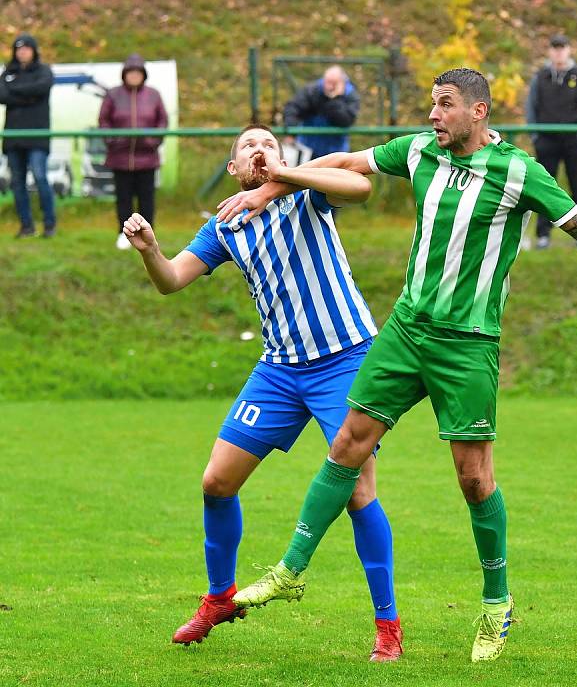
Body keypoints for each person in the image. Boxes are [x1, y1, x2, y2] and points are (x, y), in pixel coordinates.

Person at [216, 68, 577, 664]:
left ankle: (497, 604)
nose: (432, 115)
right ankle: (292, 570)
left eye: (443, 105)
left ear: (478, 112)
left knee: (473, 479)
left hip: (467, 343)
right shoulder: (420, 150)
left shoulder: (520, 171)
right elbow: (348, 162)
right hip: (404, 331)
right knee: (348, 444)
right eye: (431, 103)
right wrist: (270, 188)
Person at [122, 124, 402, 662]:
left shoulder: (307, 192)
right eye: (249, 146)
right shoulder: (226, 225)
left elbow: (361, 187)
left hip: (345, 358)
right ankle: (220, 597)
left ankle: (387, 626)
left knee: (358, 492)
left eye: (269, 144)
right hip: (279, 368)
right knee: (216, 481)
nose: (260, 150)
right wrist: (151, 251)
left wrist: (283, 176)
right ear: (233, 168)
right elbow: (172, 279)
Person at [525, 34, 577, 249]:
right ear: (549, 51)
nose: (558, 52)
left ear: (569, 50)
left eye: (562, 48)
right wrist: (536, 136)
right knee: (544, 188)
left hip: (575, 140)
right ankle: (543, 234)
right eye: (554, 48)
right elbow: (531, 106)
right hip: (547, 140)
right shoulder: (541, 76)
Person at [99, 54, 168, 250]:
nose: (134, 76)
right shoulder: (113, 94)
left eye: (138, 73)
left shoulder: (153, 95)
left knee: (147, 199)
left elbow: (162, 121)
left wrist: (153, 141)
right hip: (120, 158)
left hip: (147, 158)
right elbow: (104, 121)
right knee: (124, 198)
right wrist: (112, 141)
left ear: (144, 75)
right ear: (124, 75)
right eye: (131, 73)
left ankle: (148, 235)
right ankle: (124, 234)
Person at [0, 33, 55, 238]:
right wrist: (28, 96)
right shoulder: (7, 72)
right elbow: (1, 95)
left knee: (40, 177)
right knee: (17, 182)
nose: (22, 52)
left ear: (34, 50)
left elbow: (41, 88)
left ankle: (49, 224)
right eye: (18, 49)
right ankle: (26, 226)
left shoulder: (44, 71)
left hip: (37, 137)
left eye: (26, 48)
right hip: (13, 138)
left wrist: (14, 93)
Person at [283, 65, 360, 161]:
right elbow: (293, 108)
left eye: (334, 83)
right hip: (308, 148)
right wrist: (291, 131)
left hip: (336, 151)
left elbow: (345, 120)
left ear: (341, 83)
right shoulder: (312, 91)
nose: (329, 86)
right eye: (327, 81)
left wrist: (335, 98)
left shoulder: (350, 96)